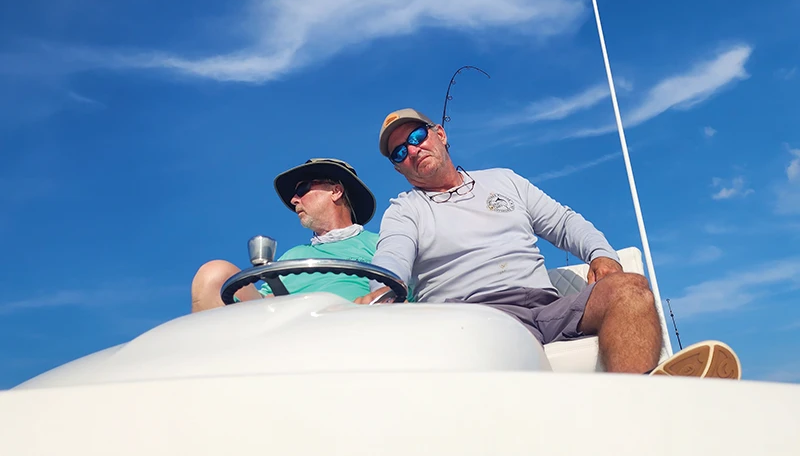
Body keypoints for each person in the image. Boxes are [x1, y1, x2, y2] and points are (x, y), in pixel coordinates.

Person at [356, 108, 741, 379]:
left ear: (440, 134)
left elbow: (564, 221)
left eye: (417, 136)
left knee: (631, 290)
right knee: (498, 344)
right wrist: (383, 292)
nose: (413, 150)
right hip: (478, 317)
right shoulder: (405, 209)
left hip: (549, 307)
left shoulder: (505, 180)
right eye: (399, 152)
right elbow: (392, 258)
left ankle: (634, 403)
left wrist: (602, 254)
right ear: (399, 168)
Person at [191, 158, 379, 312]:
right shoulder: (291, 257)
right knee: (215, 273)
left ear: (335, 191)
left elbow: (402, 292)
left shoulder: (379, 244)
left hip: (355, 331)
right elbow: (266, 299)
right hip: (286, 333)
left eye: (302, 189)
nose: (294, 199)